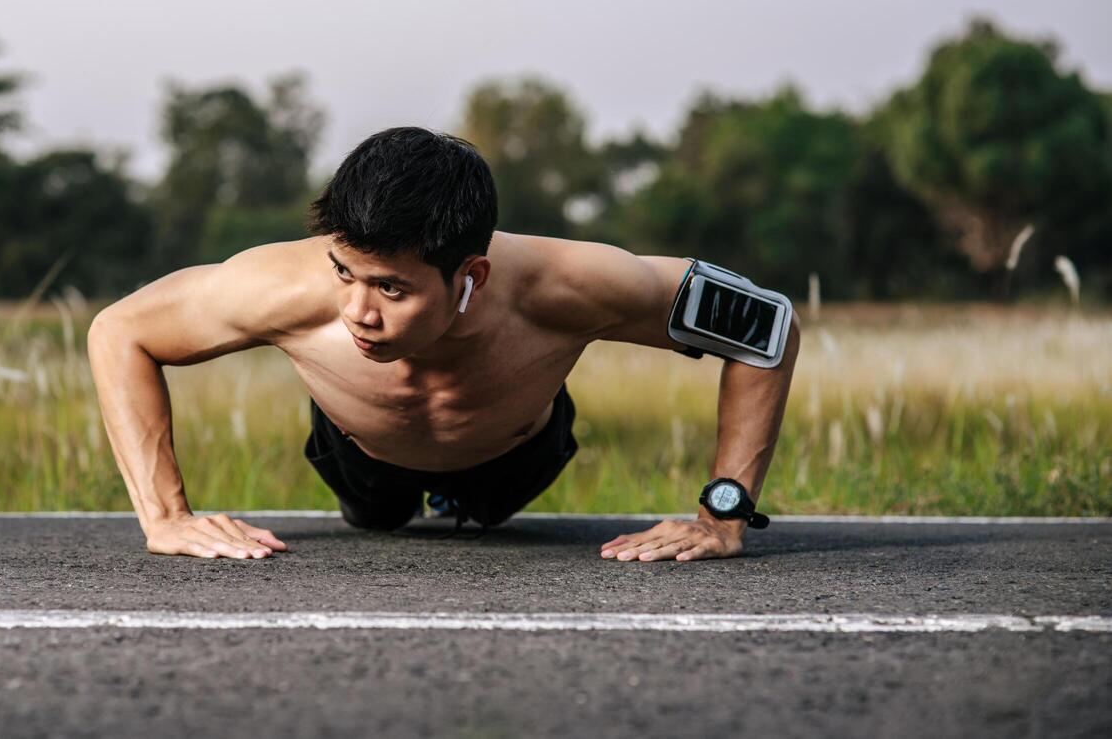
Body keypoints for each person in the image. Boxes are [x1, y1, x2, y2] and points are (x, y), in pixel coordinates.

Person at [87, 126, 800, 562]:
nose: (357, 312)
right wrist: (167, 519)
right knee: (378, 521)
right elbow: (119, 330)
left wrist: (722, 514)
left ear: (471, 275)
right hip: (358, 455)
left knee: (487, 518)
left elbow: (767, 325)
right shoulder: (275, 287)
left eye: (392, 289)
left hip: (516, 454)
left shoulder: (569, 285)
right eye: (344, 273)